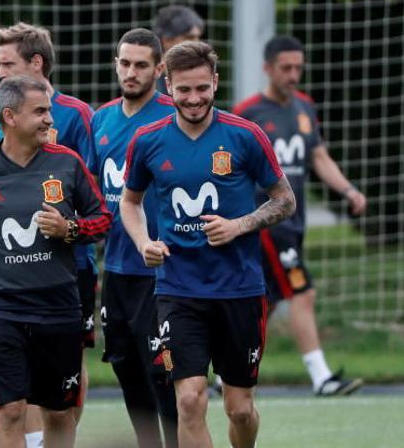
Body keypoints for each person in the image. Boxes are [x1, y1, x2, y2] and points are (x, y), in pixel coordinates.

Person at [120, 41, 295, 448]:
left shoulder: (245, 135)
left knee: (239, 409)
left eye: (202, 88)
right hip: (178, 289)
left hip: (240, 289)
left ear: (215, 82)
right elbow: (130, 203)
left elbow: (285, 199)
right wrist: (144, 240)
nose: (194, 99)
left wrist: (240, 225)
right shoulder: (148, 140)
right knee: (190, 399)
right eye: (184, 90)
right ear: (168, 85)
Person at [0, 75, 111, 448]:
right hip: (0, 309)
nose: (51, 119)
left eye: (49, 110)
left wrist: (70, 229)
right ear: (10, 116)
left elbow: (102, 220)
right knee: (10, 409)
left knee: (59, 412)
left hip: (59, 307)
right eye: (41, 111)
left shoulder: (68, 164)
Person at [232, 35, 366, 396]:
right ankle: (321, 377)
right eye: (285, 68)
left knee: (269, 300)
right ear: (268, 68)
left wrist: (348, 190)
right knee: (303, 293)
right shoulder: (247, 113)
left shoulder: (305, 107)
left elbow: (318, 157)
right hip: (267, 223)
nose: (293, 75)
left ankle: (226, 375)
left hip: (296, 222)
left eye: (298, 68)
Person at [0, 21, 98, 446]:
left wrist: (66, 228)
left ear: (36, 63)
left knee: (71, 359)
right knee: (18, 362)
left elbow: (90, 193)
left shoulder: (77, 115)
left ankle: (58, 437)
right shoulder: (1, 112)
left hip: (69, 266)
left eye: (7, 63)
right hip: (13, 264)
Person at [92, 28, 178, 447]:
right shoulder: (101, 119)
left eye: (141, 64)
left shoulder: (171, 118)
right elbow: (91, 190)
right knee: (125, 364)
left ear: (160, 70)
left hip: (160, 269)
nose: (131, 72)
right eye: (124, 63)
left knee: (163, 369)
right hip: (116, 267)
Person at [151, 5, 204, 95]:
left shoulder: (201, 75)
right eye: (189, 38)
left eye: (198, 38)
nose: (197, 44)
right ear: (167, 40)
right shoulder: (147, 78)